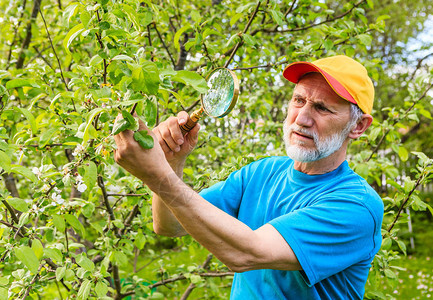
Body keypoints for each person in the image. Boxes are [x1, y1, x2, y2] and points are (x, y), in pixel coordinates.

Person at [113, 55, 384, 299]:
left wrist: (158, 175)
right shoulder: (263, 172)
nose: (301, 118)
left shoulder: (357, 206)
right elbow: (170, 226)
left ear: (358, 126)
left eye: (322, 108)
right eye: (299, 100)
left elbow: (247, 253)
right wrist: (172, 164)